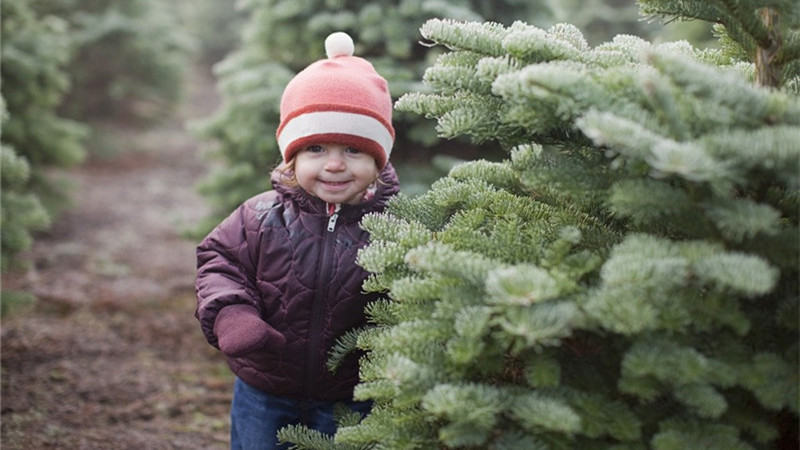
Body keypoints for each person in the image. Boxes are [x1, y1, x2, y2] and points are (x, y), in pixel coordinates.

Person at [195, 31, 399, 450]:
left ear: (379, 160)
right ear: (293, 157)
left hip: (353, 397)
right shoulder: (260, 215)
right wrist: (232, 314)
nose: (335, 164)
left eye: (354, 151)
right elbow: (219, 261)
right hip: (264, 389)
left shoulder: (395, 226)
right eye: (318, 148)